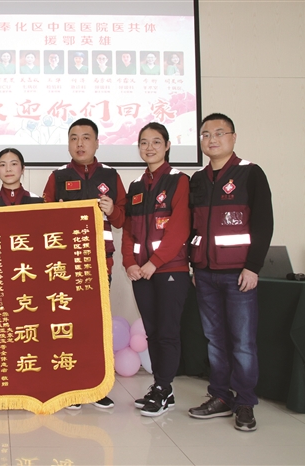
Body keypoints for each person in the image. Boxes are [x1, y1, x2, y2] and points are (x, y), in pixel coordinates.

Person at [188, 113, 273, 432]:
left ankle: (245, 402)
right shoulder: (198, 179)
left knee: (242, 342)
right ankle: (220, 397)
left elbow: (264, 223)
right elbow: (193, 227)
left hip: (239, 274)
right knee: (215, 340)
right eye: (205, 134)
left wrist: (253, 267)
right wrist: (193, 263)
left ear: (233, 138)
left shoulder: (250, 173)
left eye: (219, 133)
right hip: (204, 273)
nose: (212, 139)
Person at [42, 117, 127, 410]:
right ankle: (70, 384)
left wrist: (112, 209)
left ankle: (96, 386)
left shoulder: (111, 176)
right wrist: (55, 214)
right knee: (67, 326)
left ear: (97, 143)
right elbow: (43, 221)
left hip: (101, 264)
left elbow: (122, 219)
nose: (80, 144)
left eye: (86, 137)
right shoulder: (58, 177)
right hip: (64, 267)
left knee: (95, 327)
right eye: (74, 138)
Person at [121, 122, 191, 417]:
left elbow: (180, 228)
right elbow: (128, 229)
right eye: (144, 143)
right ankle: (162, 388)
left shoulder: (179, 181)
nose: (149, 148)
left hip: (170, 270)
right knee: (152, 331)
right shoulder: (136, 186)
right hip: (141, 273)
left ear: (167, 145)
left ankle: (163, 386)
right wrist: (129, 263)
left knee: (167, 332)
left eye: (156, 142)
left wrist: (154, 262)